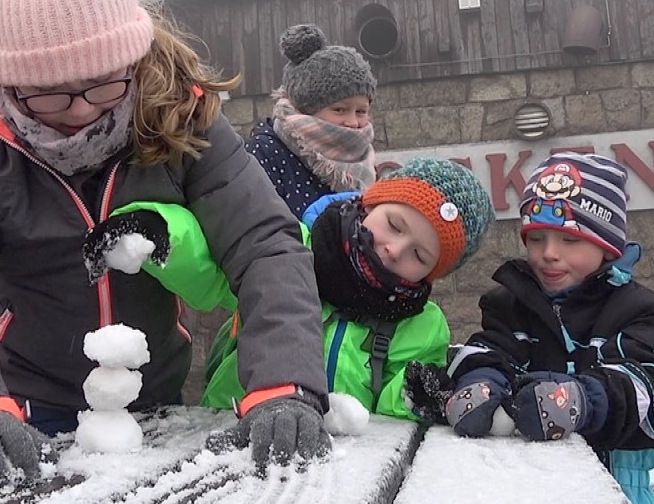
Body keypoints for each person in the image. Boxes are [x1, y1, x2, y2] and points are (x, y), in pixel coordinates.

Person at [0, 0, 331, 491]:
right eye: (48, 91)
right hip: (20, 409)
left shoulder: (179, 110)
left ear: (129, 60)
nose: (80, 111)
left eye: (101, 83)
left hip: (154, 403)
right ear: (8, 78)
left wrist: (284, 383)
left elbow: (265, 246)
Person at [442, 152, 654, 504]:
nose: (548, 253)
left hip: (619, 494)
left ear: (607, 246)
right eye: (536, 238)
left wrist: (584, 401)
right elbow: (490, 349)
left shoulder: (640, 311)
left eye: (570, 240)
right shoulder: (509, 304)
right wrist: (477, 380)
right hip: (524, 497)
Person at [198, 157, 494, 419]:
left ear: (431, 274)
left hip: (343, 459)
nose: (394, 249)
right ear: (371, 203)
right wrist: (170, 237)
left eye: (419, 256)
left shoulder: (422, 325)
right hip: (231, 420)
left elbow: (391, 414)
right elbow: (207, 269)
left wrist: (413, 393)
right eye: (394, 224)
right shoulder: (290, 250)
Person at [246, 23, 378, 220]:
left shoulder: (364, 158)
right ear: (306, 108)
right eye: (340, 109)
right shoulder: (266, 152)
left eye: (361, 111)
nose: (353, 123)